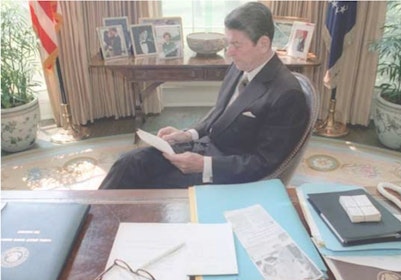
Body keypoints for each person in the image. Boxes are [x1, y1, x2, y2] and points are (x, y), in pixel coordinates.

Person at [99, 2, 309, 189]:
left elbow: (264, 163)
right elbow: (220, 113)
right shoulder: (241, 65)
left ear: (263, 44)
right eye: (228, 43)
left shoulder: (287, 94)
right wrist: (187, 134)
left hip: (226, 172)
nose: (229, 52)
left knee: (145, 183)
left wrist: (204, 165)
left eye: (236, 45)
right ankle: (88, 218)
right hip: (203, 147)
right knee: (128, 162)